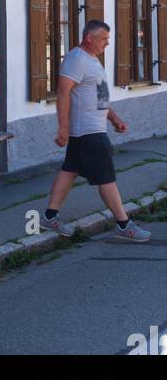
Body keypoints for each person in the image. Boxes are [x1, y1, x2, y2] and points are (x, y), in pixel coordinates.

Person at [41, 19, 150, 241]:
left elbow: (98, 97)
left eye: (108, 39)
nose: (106, 44)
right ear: (88, 38)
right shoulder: (77, 59)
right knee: (106, 177)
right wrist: (63, 126)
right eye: (103, 39)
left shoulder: (93, 60)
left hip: (93, 128)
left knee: (70, 170)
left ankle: (49, 217)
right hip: (88, 131)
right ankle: (123, 225)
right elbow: (63, 92)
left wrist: (114, 118)